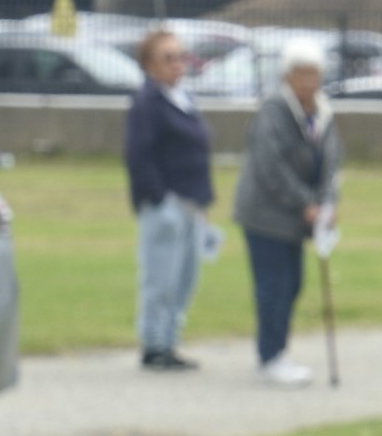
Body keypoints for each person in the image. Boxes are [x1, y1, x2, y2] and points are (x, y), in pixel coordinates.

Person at [232, 37, 341, 388]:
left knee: (292, 284)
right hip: (265, 216)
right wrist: (305, 203)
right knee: (273, 286)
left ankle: (276, 351)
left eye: (315, 75)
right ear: (288, 77)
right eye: (302, 75)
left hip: (296, 219)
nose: (310, 83)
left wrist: (327, 202)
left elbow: (331, 161)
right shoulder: (274, 111)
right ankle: (270, 356)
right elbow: (270, 166)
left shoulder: (322, 112)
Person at [122, 27, 213, 371]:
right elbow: (139, 155)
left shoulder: (183, 98)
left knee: (185, 278)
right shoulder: (148, 102)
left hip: (192, 203)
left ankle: (170, 340)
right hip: (167, 204)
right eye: (168, 58)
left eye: (181, 57)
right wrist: (159, 198)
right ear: (148, 64)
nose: (177, 64)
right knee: (160, 277)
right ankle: (154, 343)